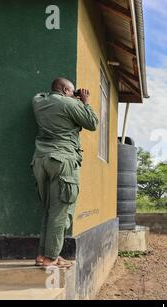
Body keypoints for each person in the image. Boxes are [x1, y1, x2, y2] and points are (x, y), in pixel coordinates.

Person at [31, 77, 98, 268]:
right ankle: (52, 257)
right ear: (66, 90)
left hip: (40, 160)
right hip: (63, 161)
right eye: (72, 90)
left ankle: (43, 255)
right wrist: (84, 102)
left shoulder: (38, 101)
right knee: (60, 212)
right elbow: (92, 123)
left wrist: (70, 96)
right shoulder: (69, 104)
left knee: (49, 210)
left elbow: (47, 95)